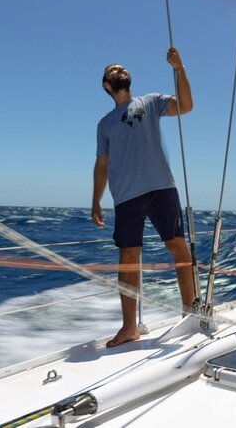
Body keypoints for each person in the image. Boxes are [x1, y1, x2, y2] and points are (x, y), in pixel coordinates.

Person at [92, 46, 196, 348]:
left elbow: (186, 106)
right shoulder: (105, 124)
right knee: (128, 259)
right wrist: (95, 201)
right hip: (126, 198)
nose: (118, 68)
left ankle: (190, 312)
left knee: (178, 248)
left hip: (162, 187)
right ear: (107, 86)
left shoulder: (150, 102)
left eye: (120, 65)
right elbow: (101, 165)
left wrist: (179, 69)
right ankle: (129, 327)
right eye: (113, 69)